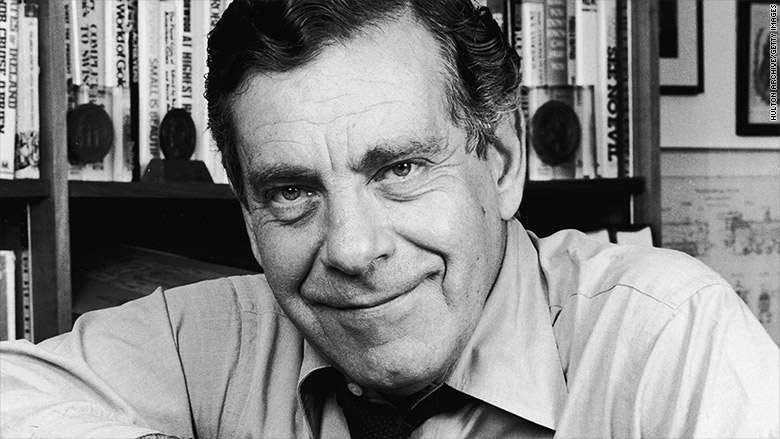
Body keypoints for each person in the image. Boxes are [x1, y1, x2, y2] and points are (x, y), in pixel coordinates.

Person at [1, 0, 778, 437]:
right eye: (291, 191)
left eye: (400, 168)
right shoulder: (210, 338)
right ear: (248, 213)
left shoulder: (669, 335)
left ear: (503, 162)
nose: (352, 247)